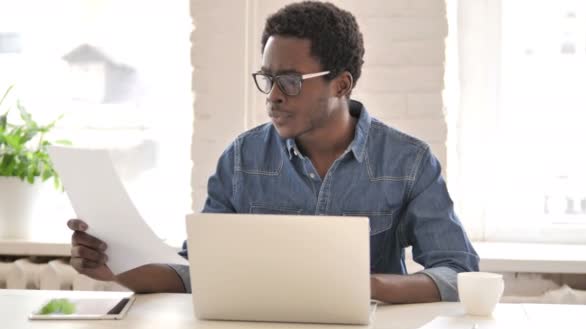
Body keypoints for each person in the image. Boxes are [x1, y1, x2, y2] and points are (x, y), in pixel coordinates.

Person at [67, 1, 479, 304]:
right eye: (268, 79)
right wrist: (116, 270)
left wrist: (369, 286)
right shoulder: (242, 159)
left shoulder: (407, 162)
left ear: (341, 84)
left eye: (291, 81)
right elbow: (201, 270)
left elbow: (459, 272)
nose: (274, 97)